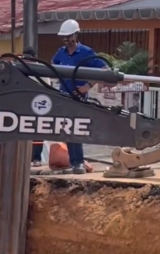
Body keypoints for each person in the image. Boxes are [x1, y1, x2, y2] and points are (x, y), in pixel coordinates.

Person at [52, 19, 107, 175]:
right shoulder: (60, 53)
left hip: (78, 98)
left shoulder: (86, 53)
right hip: (63, 96)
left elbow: (103, 70)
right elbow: (52, 65)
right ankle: (73, 162)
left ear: (76, 35)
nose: (65, 40)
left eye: (68, 36)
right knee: (66, 131)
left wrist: (87, 87)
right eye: (63, 37)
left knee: (76, 130)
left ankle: (78, 163)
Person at [23, 46, 45, 167]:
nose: (27, 61)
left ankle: (37, 158)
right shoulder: (19, 69)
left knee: (37, 134)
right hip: (24, 106)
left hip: (38, 107)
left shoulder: (41, 70)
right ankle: (25, 158)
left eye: (29, 59)